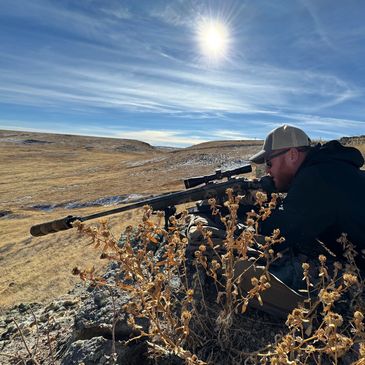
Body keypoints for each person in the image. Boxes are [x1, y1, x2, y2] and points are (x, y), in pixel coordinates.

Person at [249, 124, 365, 291]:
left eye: (269, 163)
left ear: (292, 154)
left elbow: (276, 234)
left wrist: (245, 207)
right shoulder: (329, 167)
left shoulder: (317, 177)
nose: (267, 170)